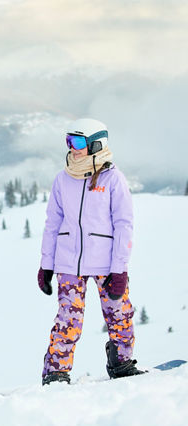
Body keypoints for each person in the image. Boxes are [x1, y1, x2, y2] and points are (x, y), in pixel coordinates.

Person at [38, 118, 144, 384]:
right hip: (68, 263)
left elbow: (124, 225)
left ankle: (121, 362)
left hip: (106, 264)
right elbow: (52, 223)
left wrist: (119, 268)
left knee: (119, 314)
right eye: (68, 141)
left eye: (78, 142)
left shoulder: (113, 179)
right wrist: (46, 264)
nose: (72, 148)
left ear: (96, 144)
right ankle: (56, 372)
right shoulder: (63, 179)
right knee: (68, 320)